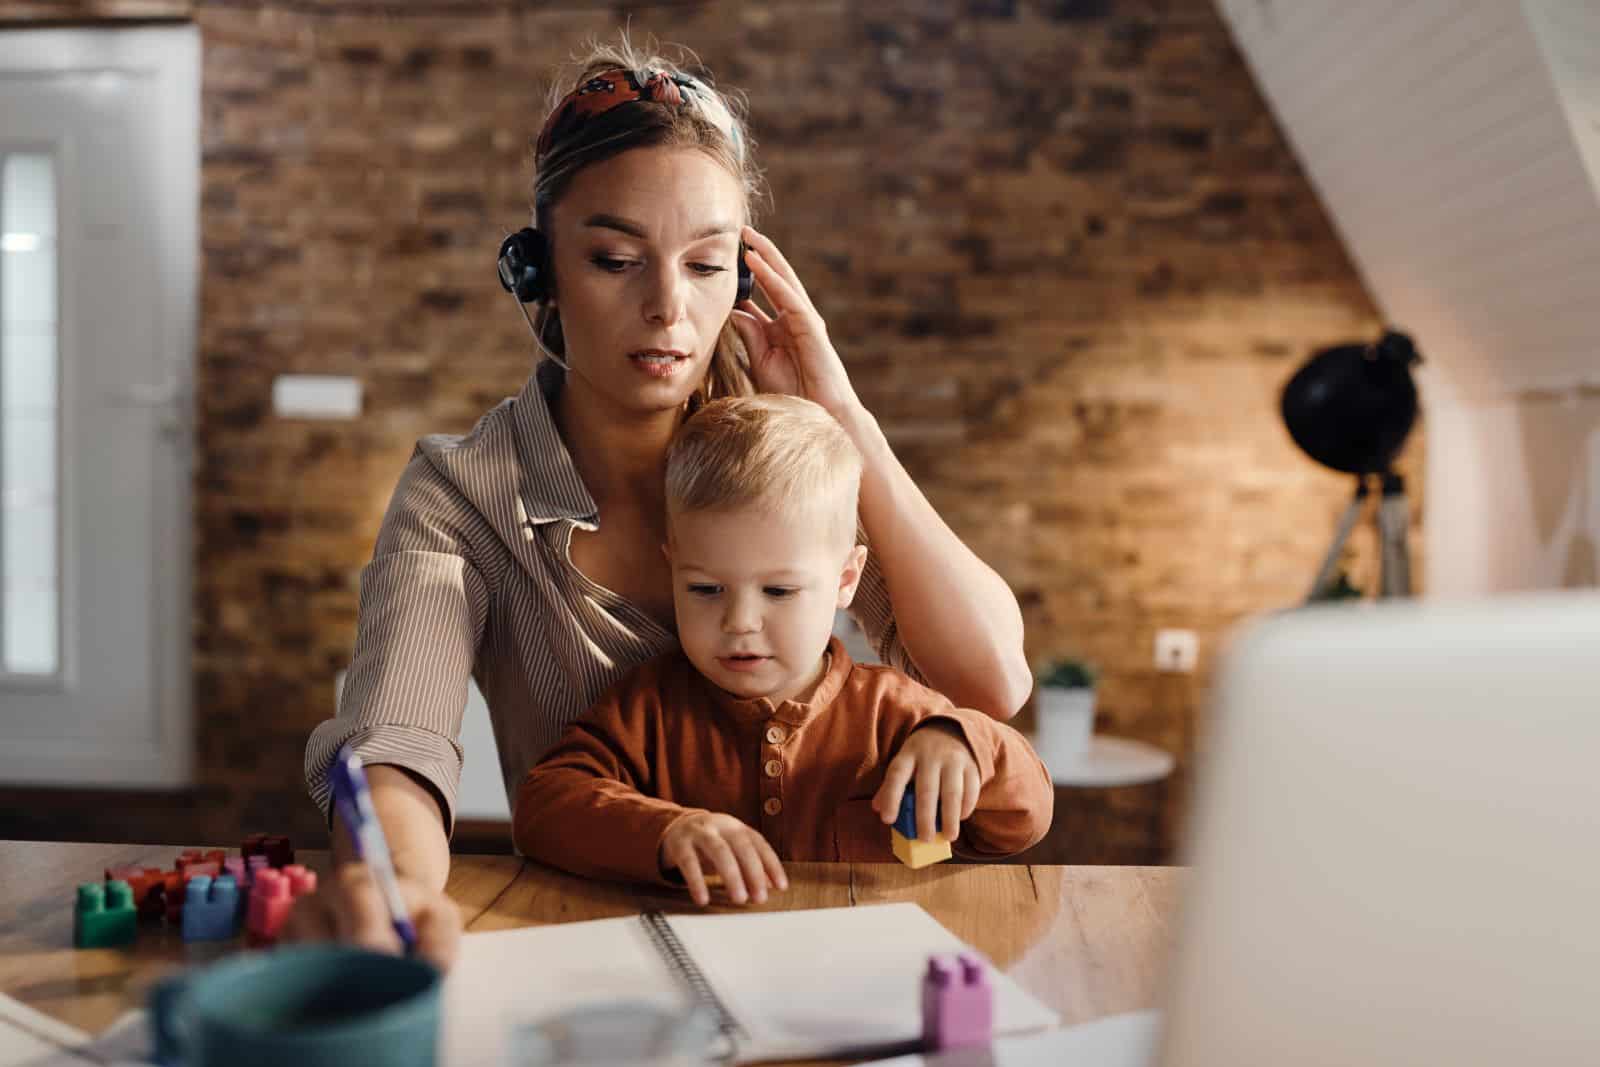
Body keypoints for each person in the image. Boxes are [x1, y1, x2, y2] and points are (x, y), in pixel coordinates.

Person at [287, 35, 1033, 968]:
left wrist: (842, 413)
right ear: (540, 273)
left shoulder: (789, 458)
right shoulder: (463, 491)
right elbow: (401, 741)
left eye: (707, 264)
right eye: (614, 260)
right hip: (583, 951)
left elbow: (991, 684)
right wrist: (387, 893)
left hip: (818, 948)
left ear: (746, 278)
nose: (668, 308)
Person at [516, 395, 1053, 906]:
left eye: (778, 591)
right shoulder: (647, 709)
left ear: (846, 579)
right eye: (705, 589)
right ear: (672, 566)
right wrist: (668, 831)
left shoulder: (897, 715)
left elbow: (1025, 819)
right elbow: (544, 806)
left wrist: (966, 743)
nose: (740, 622)